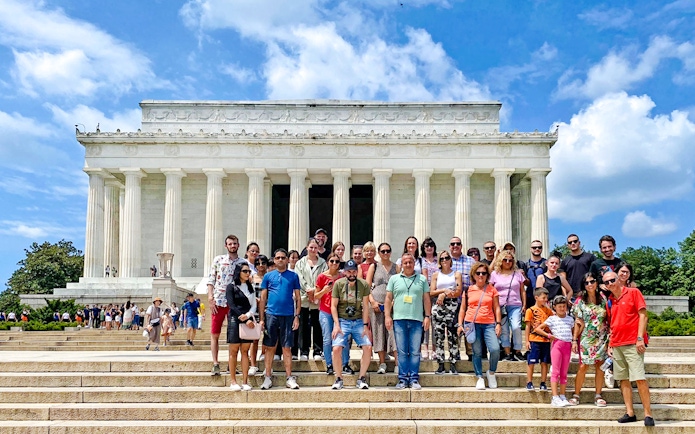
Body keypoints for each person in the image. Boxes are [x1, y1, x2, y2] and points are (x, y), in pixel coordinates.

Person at [603, 271, 655, 426]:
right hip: (617, 344)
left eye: (612, 280)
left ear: (619, 279)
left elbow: (643, 315)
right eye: (606, 282)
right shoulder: (610, 301)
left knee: (639, 378)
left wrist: (640, 338)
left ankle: (648, 414)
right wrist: (610, 344)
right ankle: (630, 412)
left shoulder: (633, 292)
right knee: (623, 380)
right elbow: (612, 324)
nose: (610, 284)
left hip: (633, 343)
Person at [385, 253, 431, 390]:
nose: (408, 265)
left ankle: (414, 378)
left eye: (410, 262)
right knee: (402, 351)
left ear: (414, 263)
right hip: (399, 319)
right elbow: (388, 299)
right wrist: (388, 316)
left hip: (417, 319)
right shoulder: (394, 279)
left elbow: (426, 299)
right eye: (405, 263)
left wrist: (427, 316)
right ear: (401, 264)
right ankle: (403, 379)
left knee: (415, 351)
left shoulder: (422, 279)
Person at [259, 248, 302, 390]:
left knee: (287, 348)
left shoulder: (293, 276)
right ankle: (267, 377)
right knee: (270, 348)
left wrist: (297, 316)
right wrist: (262, 319)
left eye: (283, 257)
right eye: (278, 258)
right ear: (274, 259)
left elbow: (297, 297)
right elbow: (263, 298)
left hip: (288, 315)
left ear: (287, 259)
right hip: (271, 315)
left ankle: (289, 377)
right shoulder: (268, 276)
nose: (281, 260)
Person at [207, 234, 249, 376]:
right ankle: (215, 363)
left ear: (238, 245)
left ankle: (232, 365)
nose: (232, 246)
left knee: (234, 336)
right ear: (226, 246)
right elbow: (211, 279)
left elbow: (248, 279)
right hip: (219, 301)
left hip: (236, 304)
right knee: (215, 333)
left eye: (235, 243)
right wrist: (210, 297)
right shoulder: (218, 260)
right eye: (230, 244)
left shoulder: (243, 262)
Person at [456, 262, 501, 390]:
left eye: (484, 273)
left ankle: (491, 372)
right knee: (476, 352)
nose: (481, 275)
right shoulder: (468, 289)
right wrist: (460, 324)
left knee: (495, 349)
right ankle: (479, 376)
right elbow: (463, 309)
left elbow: (497, 307)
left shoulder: (492, 289)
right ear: (473, 275)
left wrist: (498, 324)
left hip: (488, 323)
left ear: (487, 275)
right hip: (472, 323)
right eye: (478, 273)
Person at [330, 260, 373, 390]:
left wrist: (365, 325)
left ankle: (361, 378)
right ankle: (338, 378)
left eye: (354, 271)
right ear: (344, 272)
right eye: (349, 271)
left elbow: (365, 306)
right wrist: (336, 325)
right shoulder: (338, 284)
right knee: (336, 348)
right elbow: (333, 306)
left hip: (358, 320)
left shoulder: (363, 285)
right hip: (343, 320)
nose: (352, 274)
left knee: (367, 346)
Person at [570, 273, 609, 407]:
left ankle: (598, 394)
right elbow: (578, 322)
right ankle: (576, 394)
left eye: (592, 281)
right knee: (583, 366)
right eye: (586, 283)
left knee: (600, 366)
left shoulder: (603, 298)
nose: (589, 284)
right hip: (586, 337)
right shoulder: (580, 300)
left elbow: (608, 317)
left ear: (597, 283)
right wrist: (574, 340)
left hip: (602, 337)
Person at [534, 295, 575, 407]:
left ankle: (562, 395)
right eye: (560, 306)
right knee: (555, 371)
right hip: (557, 345)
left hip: (567, 345)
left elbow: (572, 331)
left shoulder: (570, 319)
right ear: (555, 307)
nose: (562, 308)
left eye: (564, 306)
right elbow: (537, 328)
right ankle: (555, 397)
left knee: (564, 372)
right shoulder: (552, 318)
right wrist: (548, 335)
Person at [490, 249, 528, 361]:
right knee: (504, 330)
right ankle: (507, 353)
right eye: (505, 260)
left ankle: (517, 351)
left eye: (510, 260)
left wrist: (524, 304)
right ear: (500, 261)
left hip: (515, 304)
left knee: (516, 327)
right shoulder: (494, 274)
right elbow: (491, 291)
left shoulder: (518, 274)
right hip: (500, 306)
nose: (507, 262)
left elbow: (522, 291)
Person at [366, 242, 398, 375]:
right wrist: (372, 301)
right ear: (379, 253)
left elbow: (400, 284)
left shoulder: (396, 267)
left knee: (393, 333)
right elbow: (366, 286)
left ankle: (397, 363)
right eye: (383, 251)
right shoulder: (374, 266)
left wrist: (395, 301)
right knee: (379, 333)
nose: (385, 253)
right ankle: (382, 363)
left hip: (392, 304)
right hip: (377, 304)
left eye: (388, 251)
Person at [430, 250, 463, 374]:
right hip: (438, 306)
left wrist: (444, 294)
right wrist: (443, 291)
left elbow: (458, 291)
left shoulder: (456, 274)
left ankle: (453, 362)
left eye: (446, 258)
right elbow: (431, 292)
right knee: (439, 336)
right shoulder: (436, 275)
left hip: (452, 306)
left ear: (450, 260)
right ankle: (440, 363)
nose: (444, 260)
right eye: (442, 258)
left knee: (453, 335)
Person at [226, 263, 257, 391]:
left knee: (245, 351)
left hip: (248, 320)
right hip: (235, 319)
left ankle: (245, 381)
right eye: (245, 271)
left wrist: (248, 316)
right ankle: (233, 381)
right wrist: (242, 317)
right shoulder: (231, 287)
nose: (247, 273)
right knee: (233, 351)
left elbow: (254, 305)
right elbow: (231, 305)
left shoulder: (251, 287)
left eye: (249, 271)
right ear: (239, 272)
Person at [295, 238, 327, 361]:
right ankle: (304, 351)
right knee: (304, 326)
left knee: (317, 325)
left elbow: (323, 278)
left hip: (318, 299)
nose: (313, 250)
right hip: (304, 298)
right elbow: (299, 278)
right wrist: (309, 290)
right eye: (311, 247)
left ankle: (317, 351)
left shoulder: (323, 263)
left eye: (315, 247)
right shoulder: (300, 263)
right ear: (307, 248)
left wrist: (315, 292)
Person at [316, 253, 345, 375]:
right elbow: (316, 296)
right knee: (327, 339)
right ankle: (329, 363)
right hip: (325, 310)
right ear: (327, 262)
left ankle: (343, 363)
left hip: (340, 311)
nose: (334, 263)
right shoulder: (322, 277)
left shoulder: (342, 277)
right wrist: (324, 290)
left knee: (341, 338)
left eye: (337, 262)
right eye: (332, 261)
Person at [524, 287, 553, 391]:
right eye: (543, 297)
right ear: (536, 297)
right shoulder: (530, 310)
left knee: (545, 362)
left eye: (546, 298)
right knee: (531, 361)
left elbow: (552, 324)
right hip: (534, 340)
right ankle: (529, 382)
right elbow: (527, 326)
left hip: (545, 341)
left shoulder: (549, 311)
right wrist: (527, 340)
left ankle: (543, 382)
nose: (546, 300)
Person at [249, 255, 269, 375]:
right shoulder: (251, 278)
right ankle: (253, 365)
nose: (260, 265)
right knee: (254, 339)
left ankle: (267, 364)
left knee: (268, 339)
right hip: (254, 310)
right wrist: (254, 299)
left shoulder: (270, 277)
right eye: (258, 263)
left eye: (263, 262)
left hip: (268, 310)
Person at [419, 237, 439, 360]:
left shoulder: (439, 260)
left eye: (431, 245)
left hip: (436, 294)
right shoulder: (421, 261)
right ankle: (425, 348)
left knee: (435, 323)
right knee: (425, 321)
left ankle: (435, 349)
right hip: (425, 294)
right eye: (427, 246)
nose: (429, 248)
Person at [525, 240, 547, 309]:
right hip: (529, 297)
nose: (537, 249)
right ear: (530, 249)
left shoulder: (547, 264)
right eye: (534, 247)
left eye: (539, 247)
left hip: (543, 298)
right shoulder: (526, 265)